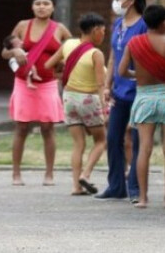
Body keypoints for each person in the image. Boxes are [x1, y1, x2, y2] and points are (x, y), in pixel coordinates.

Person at [119, 5, 165, 209]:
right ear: (163, 22)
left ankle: (142, 198)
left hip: (144, 98)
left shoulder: (134, 43)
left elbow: (122, 71)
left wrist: (138, 75)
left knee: (144, 149)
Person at [2, 0, 71, 187]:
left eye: (46, 3)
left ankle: (49, 174)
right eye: (38, 3)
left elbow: (72, 50)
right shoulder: (23, 26)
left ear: (53, 7)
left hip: (48, 83)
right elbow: (4, 52)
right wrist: (15, 50)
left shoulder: (60, 29)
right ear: (32, 6)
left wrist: (63, 63)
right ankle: (16, 174)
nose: (42, 6)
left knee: (48, 128)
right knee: (21, 127)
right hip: (23, 82)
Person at [44, 13, 107, 196]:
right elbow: (101, 85)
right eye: (103, 31)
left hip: (69, 98)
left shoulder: (68, 44)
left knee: (78, 144)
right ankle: (86, 175)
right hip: (88, 99)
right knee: (101, 140)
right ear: (95, 30)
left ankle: (76, 186)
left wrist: (62, 68)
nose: (103, 35)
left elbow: (49, 64)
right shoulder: (96, 54)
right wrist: (104, 107)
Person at [96, 0, 147, 202]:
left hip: (139, 90)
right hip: (119, 91)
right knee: (113, 136)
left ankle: (135, 188)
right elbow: (113, 56)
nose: (115, 2)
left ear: (131, 0)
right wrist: (107, 86)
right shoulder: (118, 24)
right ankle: (116, 186)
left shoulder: (144, 25)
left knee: (137, 140)